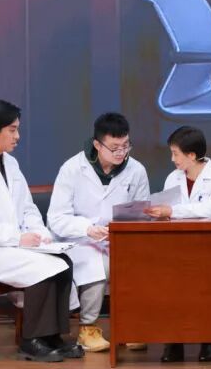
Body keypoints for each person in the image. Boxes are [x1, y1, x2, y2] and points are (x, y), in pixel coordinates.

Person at [0, 100, 82, 363]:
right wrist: (18, 238)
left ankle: (52, 337)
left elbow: (27, 207)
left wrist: (40, 234)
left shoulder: (10, 164)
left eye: (17, 129)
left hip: (11, 244)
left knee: (63, 262)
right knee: (43, 268)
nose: (17, 136)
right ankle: (31, 340)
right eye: (12, 130)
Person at [47, 113, 150, 353]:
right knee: (98, 264)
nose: (121, 153)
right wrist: (87, 229)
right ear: (97, 144)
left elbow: (141, 212)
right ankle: (88, 328)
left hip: (118, 239)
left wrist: (122, 231)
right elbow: (57, 218)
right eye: (114, 148)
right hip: (78, 240)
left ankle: (129, 326)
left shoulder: (136, 170)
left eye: (125, 146)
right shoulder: (72, 169)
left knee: (138, 263)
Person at [144, 126, 211, 362]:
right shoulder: (173, 178)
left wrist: (172, 211)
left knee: (206, 284)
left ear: (191, 155)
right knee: (170, 282)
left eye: (176, 153)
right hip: (178, 245)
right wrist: (160, 214)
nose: (172, 159)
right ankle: (174, 340)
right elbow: (168, 211)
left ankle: (208, 339)